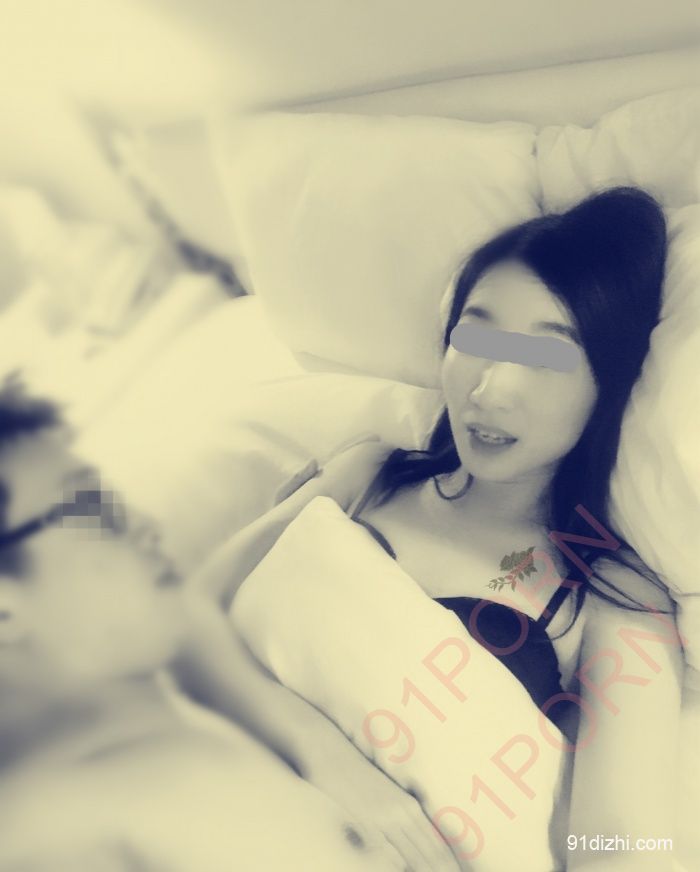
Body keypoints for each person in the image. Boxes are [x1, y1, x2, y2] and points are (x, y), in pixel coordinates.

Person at [185, 186, 684, 872]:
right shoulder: (371, 472)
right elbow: (187, 616)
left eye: (547, 358)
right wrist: (333, 763)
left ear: (608, 383)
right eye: (476, 338)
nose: (489, 389)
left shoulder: (613, 595)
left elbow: (623, 847)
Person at [0, 379, 406, 872]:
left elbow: (189, 609)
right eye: (89, 510)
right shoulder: (65, 842)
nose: (144, 524)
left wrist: (312, 743)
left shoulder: (122, 690)